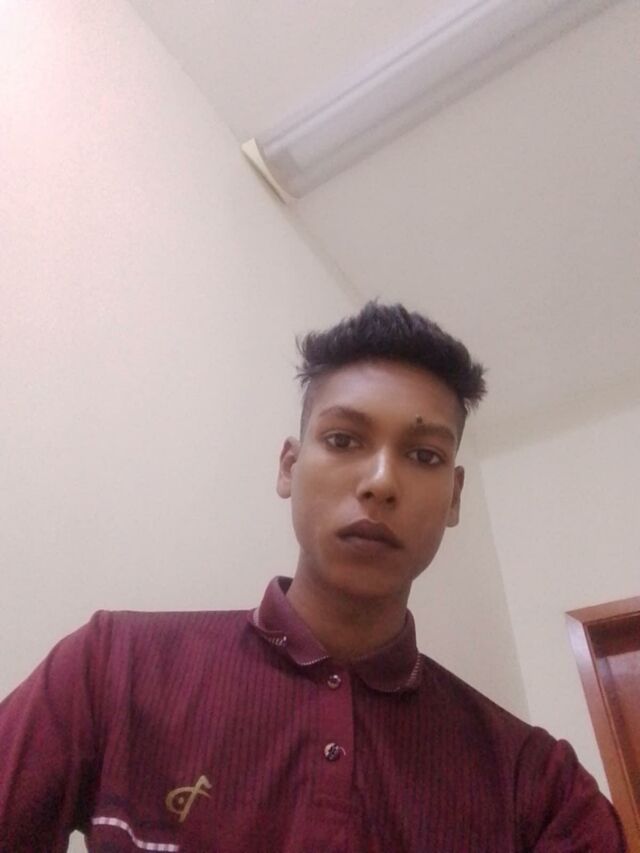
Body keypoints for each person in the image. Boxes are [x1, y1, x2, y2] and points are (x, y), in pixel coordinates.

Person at [0, 302, 625, 852]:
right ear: (289, 467)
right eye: (344, 439)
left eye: (423, 455)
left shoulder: (541, 787)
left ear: (454, 497)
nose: (381, 482)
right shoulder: (111, 667)